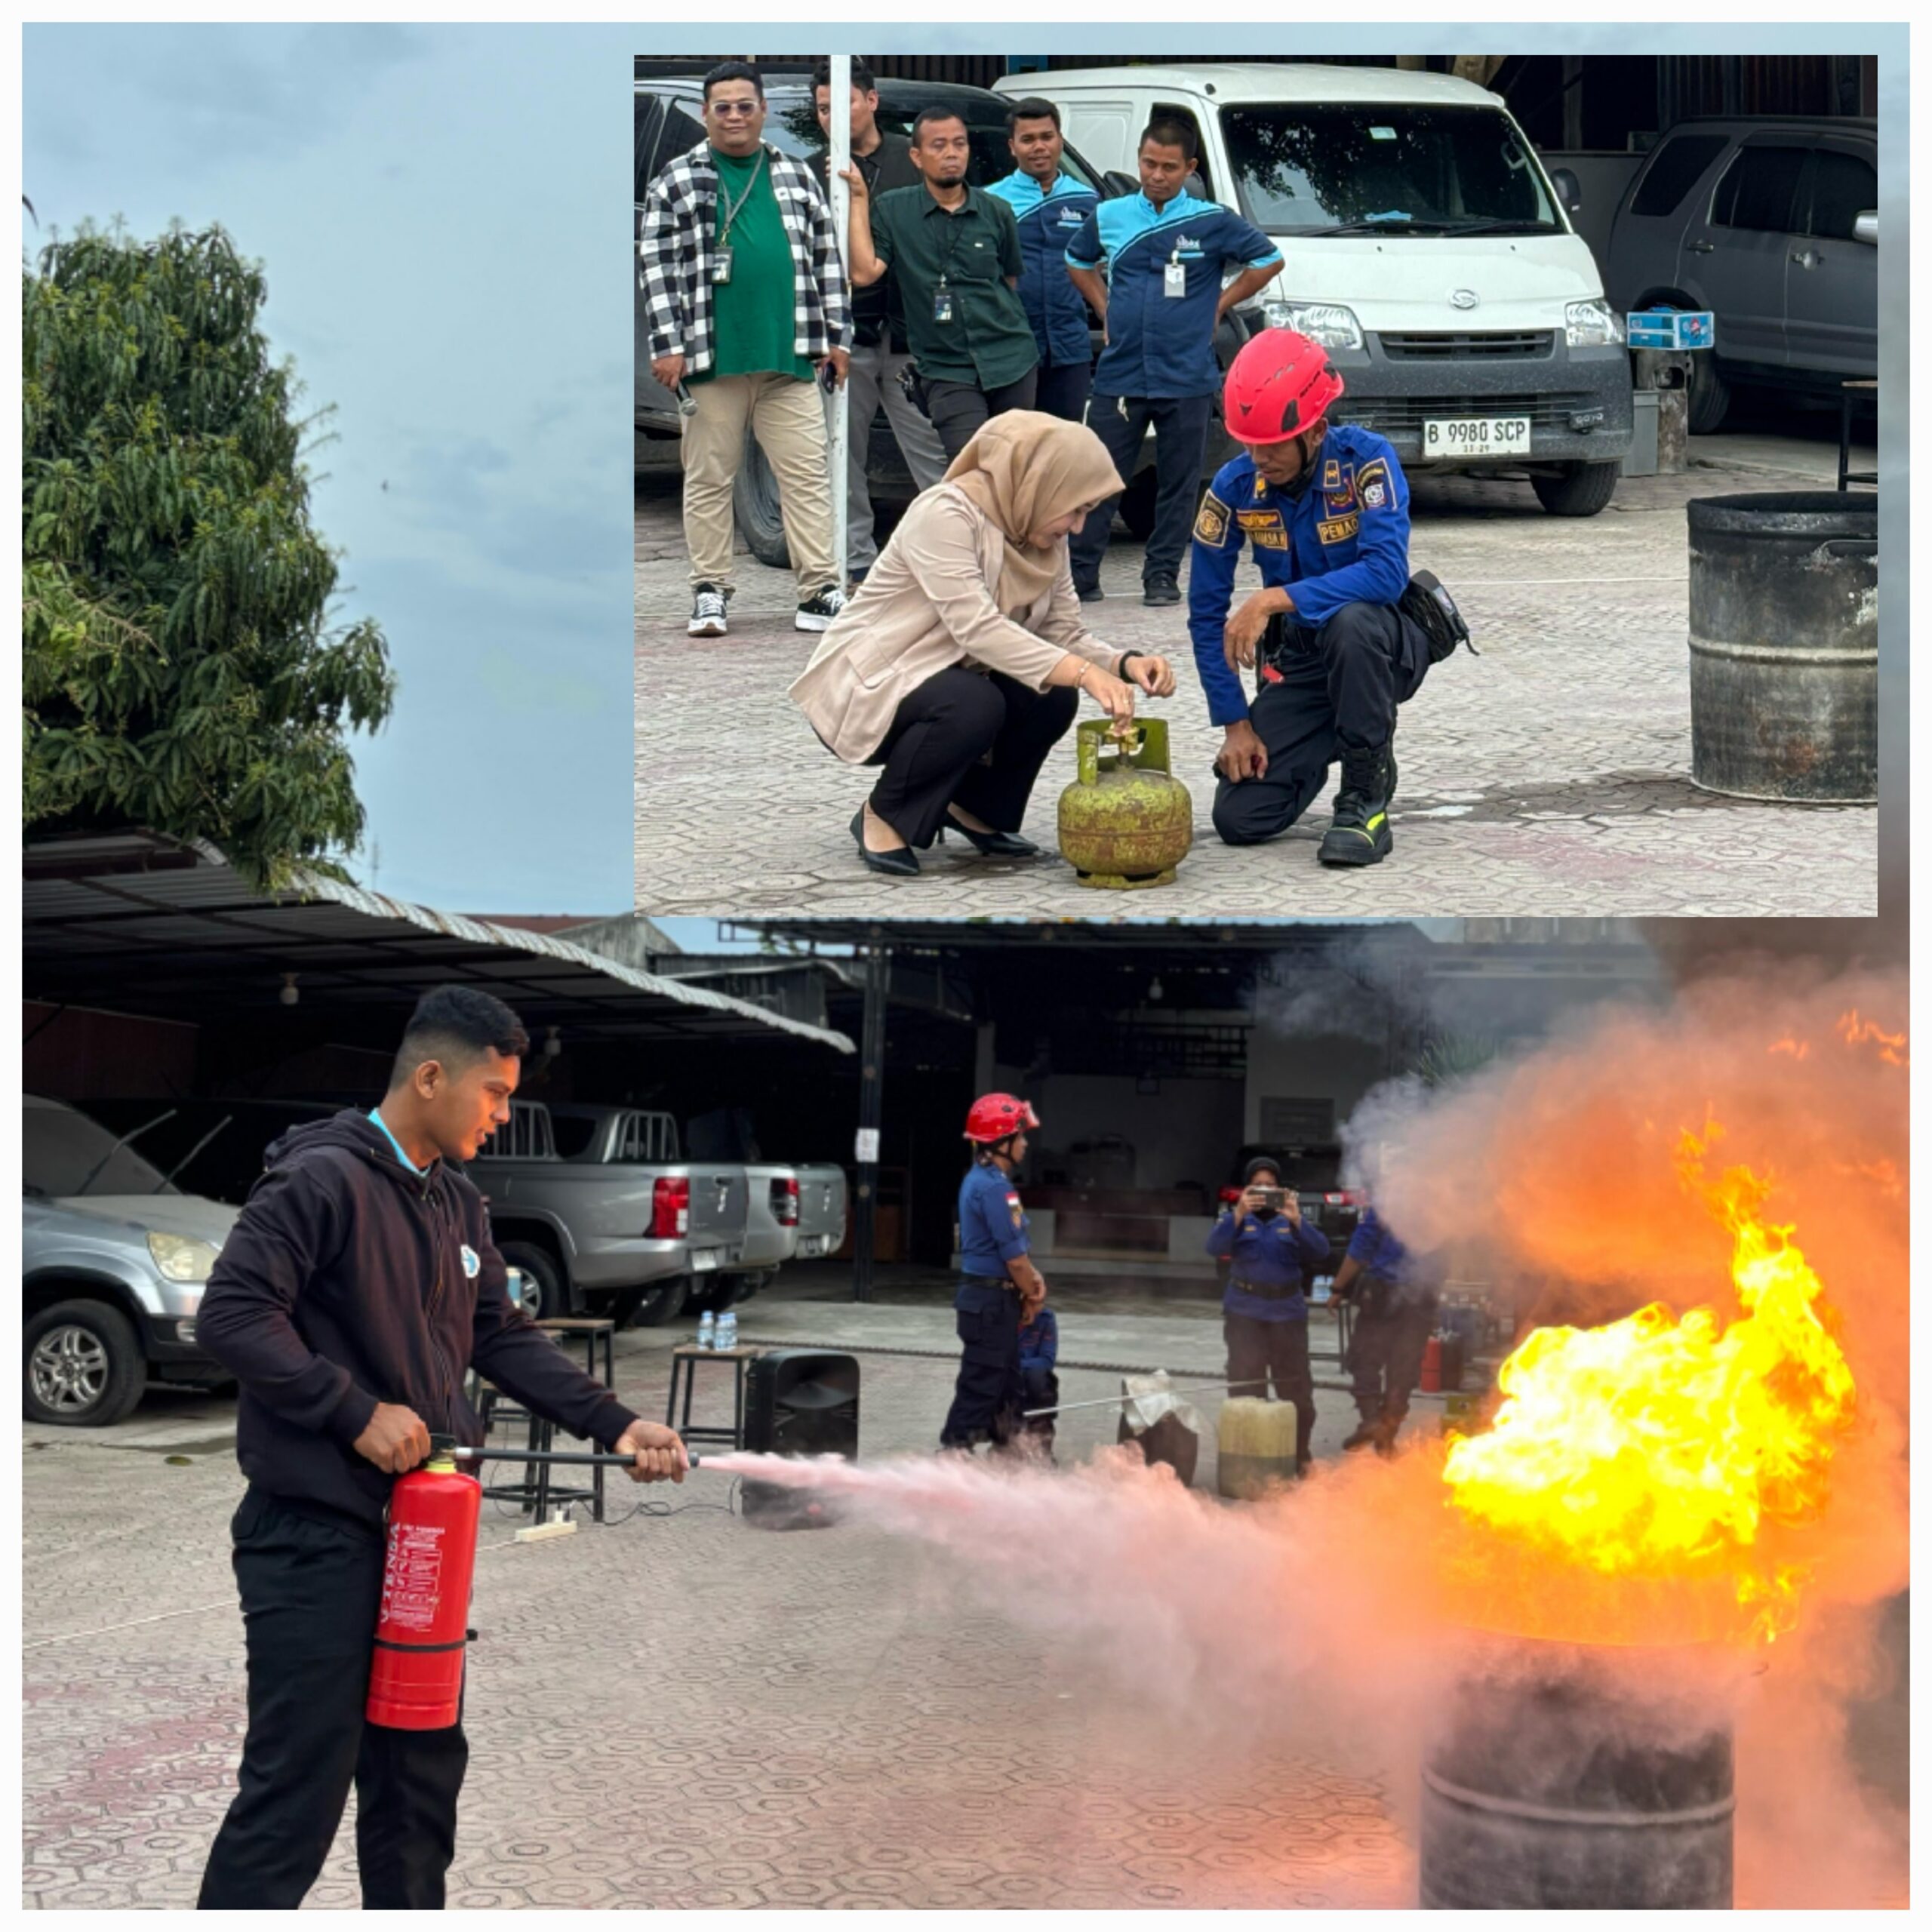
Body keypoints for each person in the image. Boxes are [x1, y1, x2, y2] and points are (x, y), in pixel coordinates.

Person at [195, 987, 688, 1909]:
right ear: (430, 1076)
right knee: (295, 1798)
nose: (503, 1115)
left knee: (417, 1790)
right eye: (494, 1093)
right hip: (313, 1534)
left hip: (423, 1540)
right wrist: (352, 1409)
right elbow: (230, 1315)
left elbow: (499, 1335)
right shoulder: (320, 1179)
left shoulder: (457, 1203)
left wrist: (617, 1424)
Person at [789, 411, 1177, 877]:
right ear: (1041, 485)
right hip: (871, 684)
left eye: (1086, 512)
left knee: (1052, 695)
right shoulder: (945, 514)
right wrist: (1083, 671)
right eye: (1076, 509)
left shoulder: (1041, 528)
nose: (1077, 527)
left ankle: (974, 809)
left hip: (948, 676)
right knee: (976, 703)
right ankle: (884, 814)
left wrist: (1122, 663)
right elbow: (976, 628)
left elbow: (1063, 633)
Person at [1189, 328, 1460, 867]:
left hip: (1379, 646)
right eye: (1249, 442)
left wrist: (1270, 601)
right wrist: (1235, 723)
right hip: (1304, 661)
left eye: (1271, 444)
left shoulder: (1367, 462)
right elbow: (1205, 614)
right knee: (1239, 820)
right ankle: (1352, 738)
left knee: (1351, 623)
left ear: (1314, 431)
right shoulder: (1232, 488)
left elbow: (1385, 574)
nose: (1258, 457)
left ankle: (1365, 797)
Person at [639, 60, 851, 639]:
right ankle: (710, 591)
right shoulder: (678, 179)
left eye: (745, 105)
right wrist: (667, 344)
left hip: (791, 353)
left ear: (762, 112)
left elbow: (825, 258)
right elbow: (654, 267)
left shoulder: (795, 174)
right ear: (706, 114)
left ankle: (820, 591)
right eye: (723, 107)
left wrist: (837, 336)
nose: (735, 116)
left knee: (807, 477)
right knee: (710, 478)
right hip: (711, 358)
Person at [1064, 118, 1282, 607]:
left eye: (1168, 167)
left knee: (1179, 483)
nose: (1156, 175)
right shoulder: (1111, 214)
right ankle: (1081, 576)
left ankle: (1161, 575)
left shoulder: (1213, 219)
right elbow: (1077, 261)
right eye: (1148, 164)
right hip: (1121, 372)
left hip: (1186, 373)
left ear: (1189, 168)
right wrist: (1104, 306)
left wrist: (1219, 304)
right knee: (1097, 476)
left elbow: (1268, 260)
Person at [811, 59, 949, 585]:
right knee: (841, 452)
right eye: (823, 108)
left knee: (931, 452)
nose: (833, 117)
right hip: (844, 337)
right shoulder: (811, 170)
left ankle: (951, 549)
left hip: (912, 332)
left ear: (871, 100)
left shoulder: (911, 158)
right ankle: (856, 557)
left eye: (843, 103)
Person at [841, 106, 1041, 461]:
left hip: (1011, 360)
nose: (951, 153)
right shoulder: (893, 209)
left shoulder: (996, 211)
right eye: (939, 146)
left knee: (1015, 469)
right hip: (946, 368)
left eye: (959, 144)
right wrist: (858, 199)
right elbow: (864, 273)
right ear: (916, 157)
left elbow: (1008, 280)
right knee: (970, 469)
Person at [1206, 1158, 1330, 1473]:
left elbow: (1321, 1252)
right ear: (1247, 1189)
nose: (1265, 1191)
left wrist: (1297, 1220)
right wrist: (1237, 1214)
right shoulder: (1234, 1219)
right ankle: (1250, 1458)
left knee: (1296, 1390)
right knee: (1247, 1388)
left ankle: (1299, 1454)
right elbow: (1212, 1246)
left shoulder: (1290, 1219)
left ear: (1281, 1189)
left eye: (1271, 1185)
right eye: (1257, 1185)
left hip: (1286, 1315)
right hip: (1245, 1313)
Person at [943, 1094, 1048, 1451]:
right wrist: (1033, 1290)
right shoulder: (994, 1188)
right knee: (981, 1386)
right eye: (1020, 1135)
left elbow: (1018, 1258)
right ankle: (952, 1456)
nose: (1025, 1142)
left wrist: (1032, 1283)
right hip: (990, 1303)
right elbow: (1015, 1259)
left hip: (991, 1301)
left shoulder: (980, 1180)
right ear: (1002, 1141)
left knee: (1008, 1388)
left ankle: (1012, 1459)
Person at [985, 97, 1099, 425]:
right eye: (1028, 139)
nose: (1039, 147)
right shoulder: (992, 201)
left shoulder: (1087, 200)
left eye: (1047, 137)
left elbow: (1105, 266)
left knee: (1065, 445)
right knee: (1017, 444)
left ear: (1060, 140)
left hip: (1071, 347)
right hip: (1013, 347)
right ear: (1012, 146)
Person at [1330, 1201, 1440, 1457]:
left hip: (1381, 1292)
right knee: (1404, 1367)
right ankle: (1387, 1433)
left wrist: (1338, 1288)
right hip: (1421, 1296)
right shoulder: (1443, 1199)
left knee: (1365, 1358)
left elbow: (1362, 1247)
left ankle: (1372, 1423)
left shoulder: (1391, 1197)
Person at [1016, 1300, 1061, 1460]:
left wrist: (1017, 1365)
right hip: (1006, 1380)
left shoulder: (1046, 1318)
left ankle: (1042, 1448)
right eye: (1032, 1303)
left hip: (1033, 1380)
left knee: (1039, 1378)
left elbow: (1047, 1360)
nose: (1038, 1308)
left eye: (1040, 1303)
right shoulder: (1002, 1317)